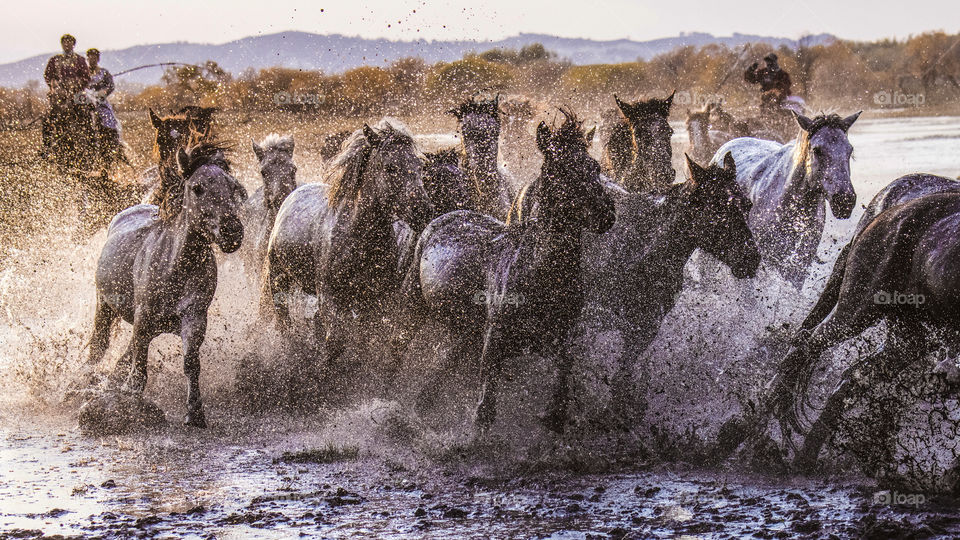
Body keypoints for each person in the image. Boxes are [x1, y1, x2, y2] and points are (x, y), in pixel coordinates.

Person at [41, 34, 90, 158]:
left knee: (87, 113)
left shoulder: (80, 60)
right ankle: (47, 147)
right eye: (64, 42)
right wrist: (55, 85)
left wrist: (74, 85)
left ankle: (90, 142)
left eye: (69, 42)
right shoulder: (55, 60)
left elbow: (86, 78)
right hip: (59, 95)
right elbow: (48, 76)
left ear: (73, 45)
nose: (67, 45)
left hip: (77, 94)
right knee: (47, 117)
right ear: (62, 44)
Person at [85, 48, 125, 167]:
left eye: (94, 57)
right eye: (90, 57)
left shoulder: (104, 73)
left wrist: (103, 93)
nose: (92, 60)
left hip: (101, 102)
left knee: (109, 118)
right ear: (87, 59)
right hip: (85, 102)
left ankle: (113, 140)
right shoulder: (83, 73)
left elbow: (111, 86)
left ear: (98, 59)